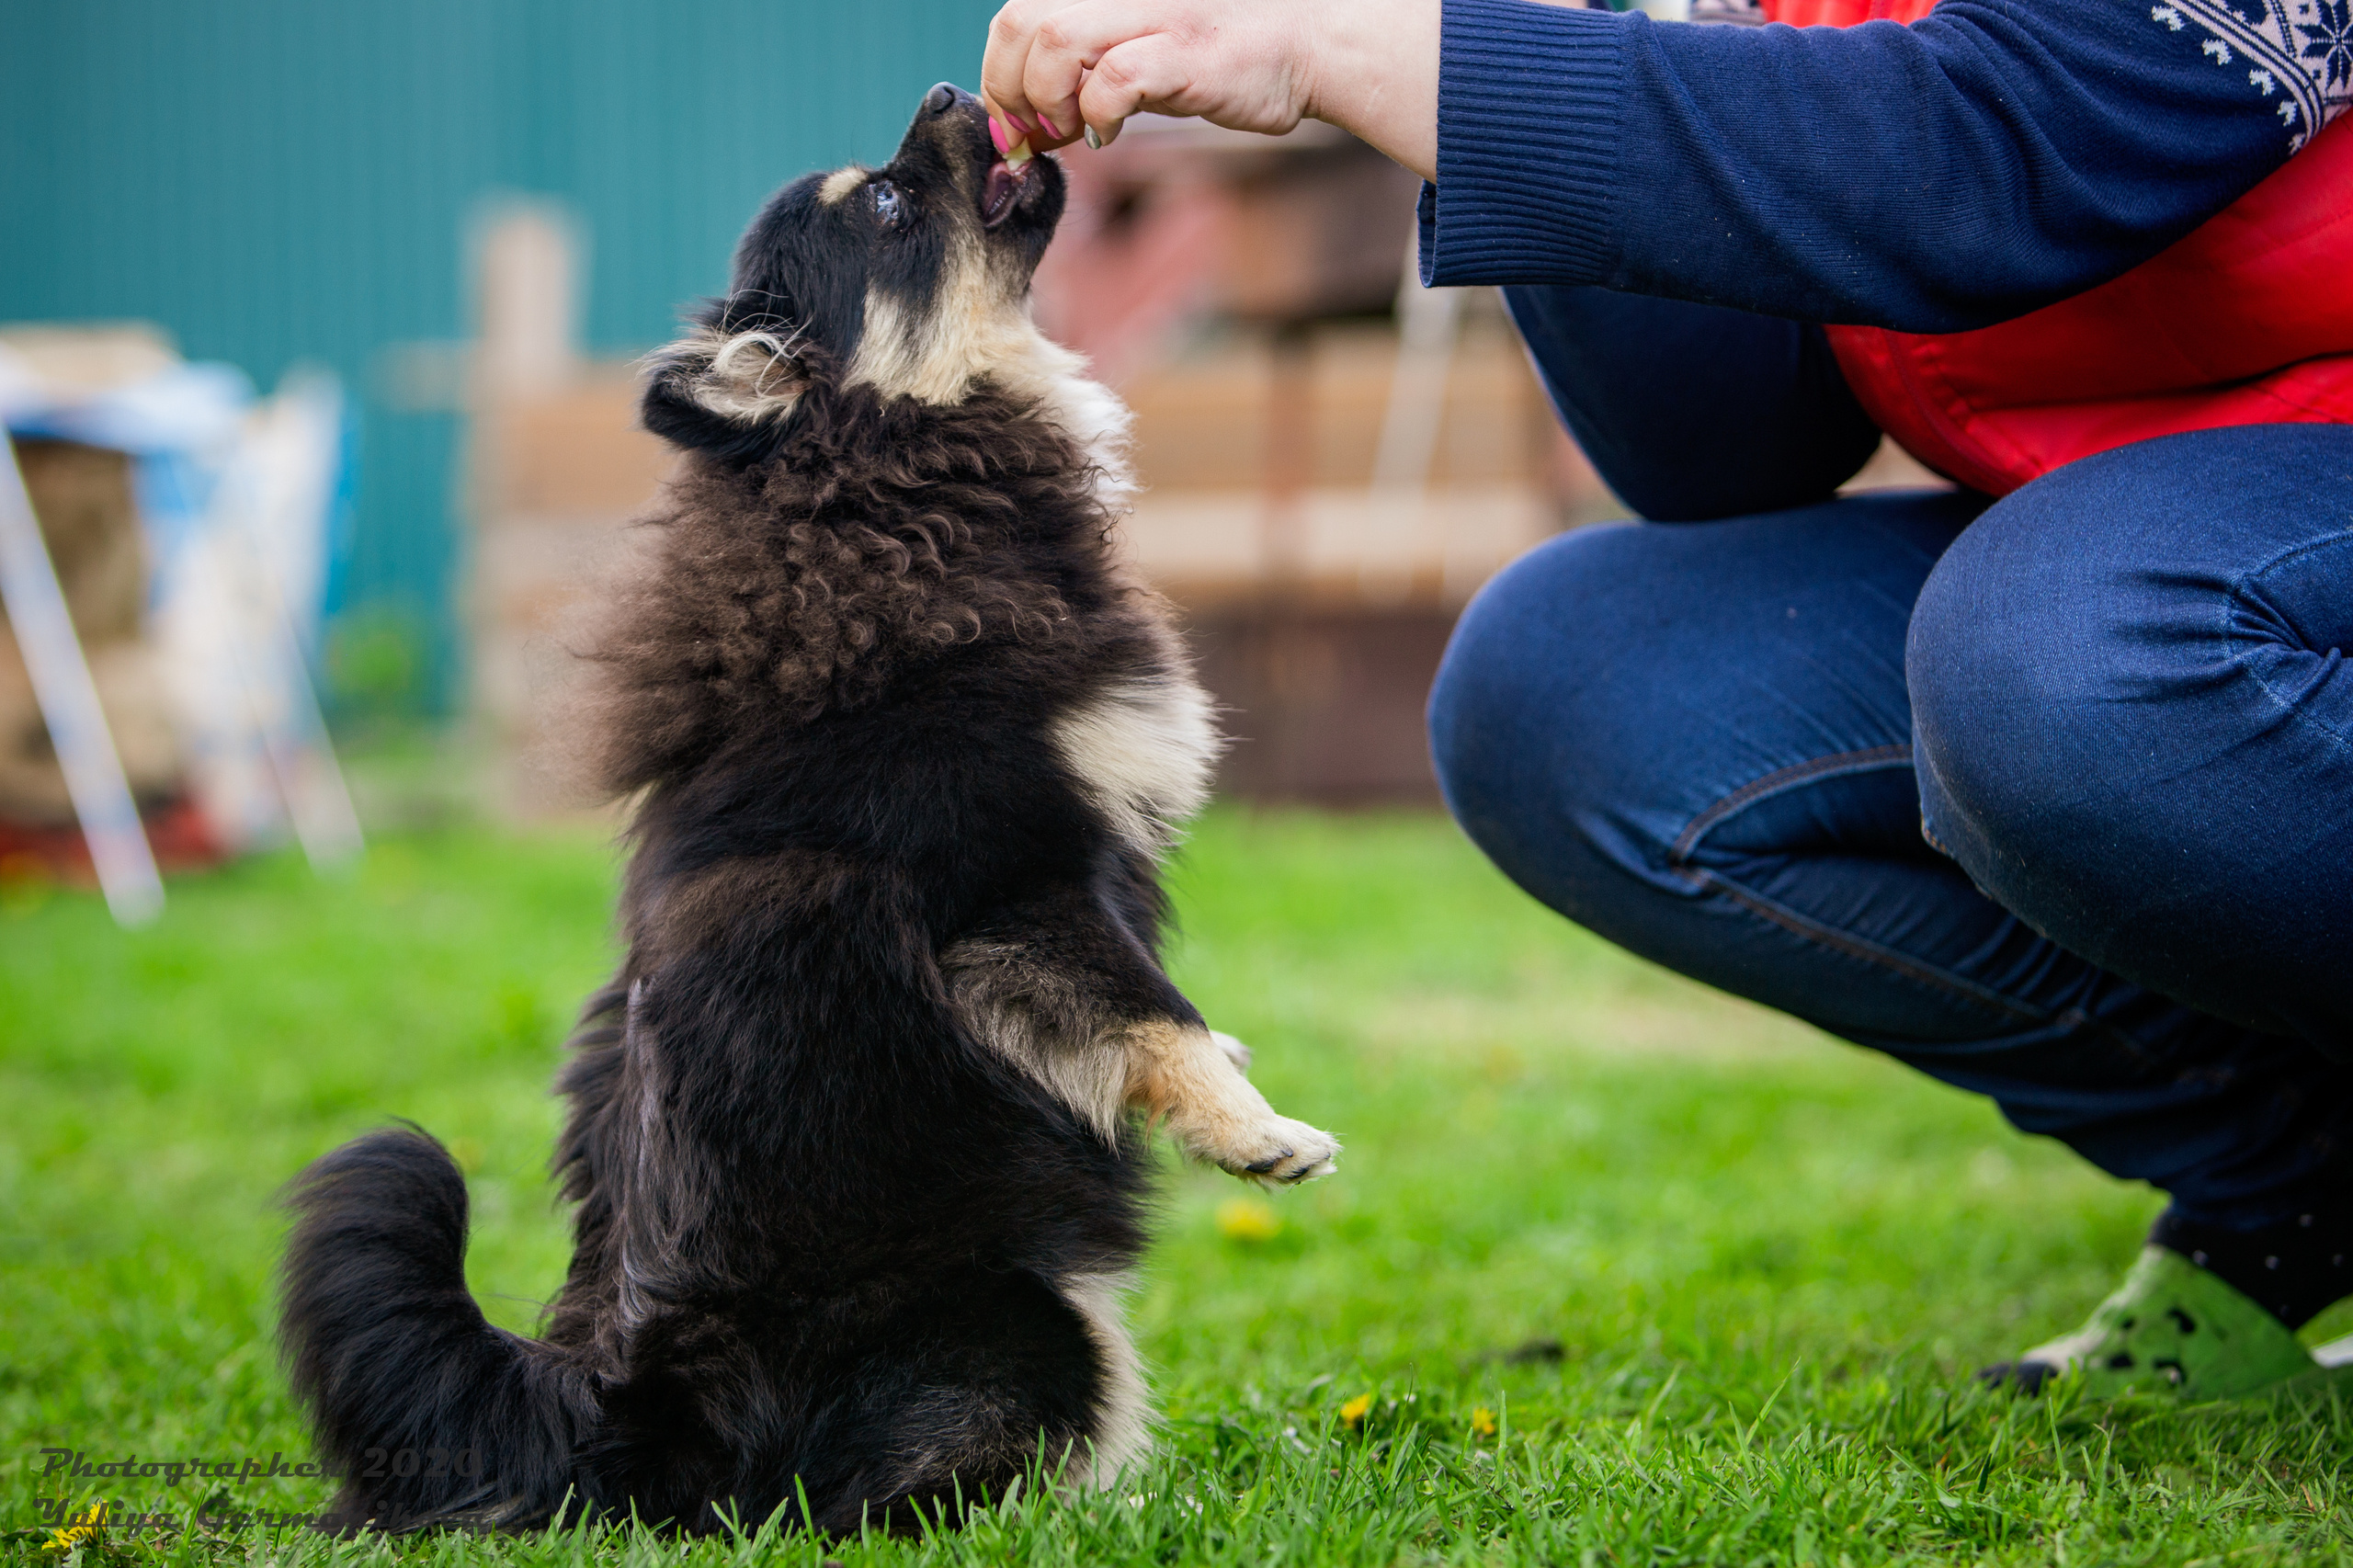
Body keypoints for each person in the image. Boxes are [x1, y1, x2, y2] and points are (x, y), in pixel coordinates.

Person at [981, 0, 2353, 1399]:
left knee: (2064, 657)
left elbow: (1987, 154)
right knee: (1572, 684)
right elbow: (1730, 448)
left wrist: (1370, 52)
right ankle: (2301, 1175)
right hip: (2123, 532)